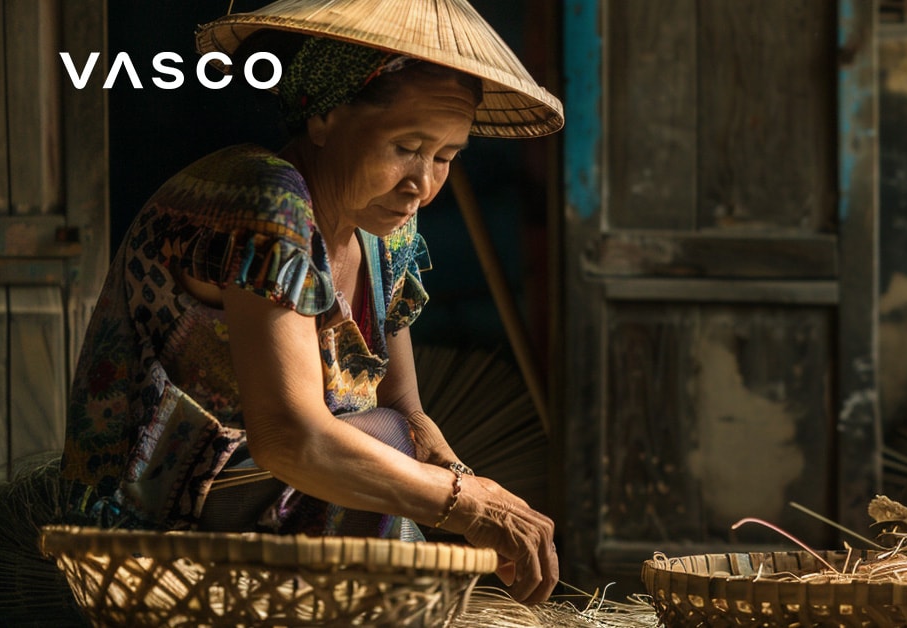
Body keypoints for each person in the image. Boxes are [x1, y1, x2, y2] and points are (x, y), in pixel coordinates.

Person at [57, 0, 562, 604]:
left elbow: (406, 411)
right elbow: (292, 438)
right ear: (322, 117)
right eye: (406, 146)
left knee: (395, 438)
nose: (422, 186)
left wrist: (472, 489)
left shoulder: (387, 230)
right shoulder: (265, 200)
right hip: (149, 518)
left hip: (275, 499)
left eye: (446, 157)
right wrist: (465, 506)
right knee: (384, 446)